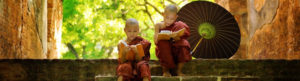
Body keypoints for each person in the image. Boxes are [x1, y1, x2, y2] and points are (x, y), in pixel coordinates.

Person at [154, 4, 192, 77]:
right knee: (162, 43)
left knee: (184, 43)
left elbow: (182, 38)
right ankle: (166, 71)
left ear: (176, 17)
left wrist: (175, 37)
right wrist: (163, 37)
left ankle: (179, 71)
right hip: (164, 52)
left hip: (176, 50)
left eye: (172, 19)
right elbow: (155, 40)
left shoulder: (178, 25)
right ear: (163, 14)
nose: (169, 21)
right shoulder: (158, 25)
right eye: (167, 18)